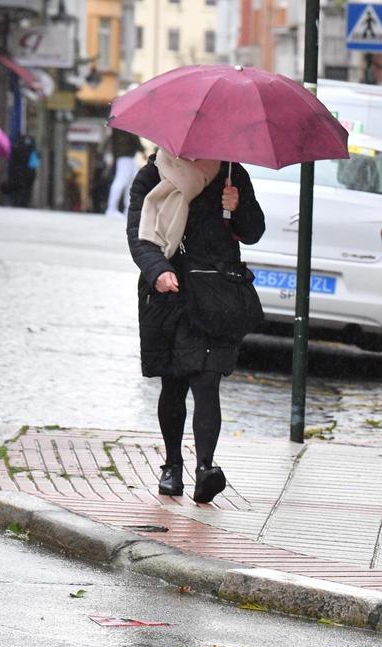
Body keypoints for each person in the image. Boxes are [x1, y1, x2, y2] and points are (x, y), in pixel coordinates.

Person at [126, 150, 265, 504]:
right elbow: (139, 235)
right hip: (169, 295)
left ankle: (205, 468)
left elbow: (253, 232)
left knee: (207, 380)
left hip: (216, 293)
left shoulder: (231, 174)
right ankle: (173, 464)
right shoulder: (151, 177)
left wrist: (239, 207)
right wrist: (158, 270)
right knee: (173, 383)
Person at [107, 130, 144, 217]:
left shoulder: (118, 124)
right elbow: (134, 137)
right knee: (121, 181)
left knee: (130, 183)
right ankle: (112, 209)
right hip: (125, 155)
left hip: (128, 155)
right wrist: (142, 150)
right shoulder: (126, 124)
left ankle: (127, 209)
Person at [2, 135, 38, 208]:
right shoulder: (32, 148)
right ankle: (23, 202)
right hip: (28, 173)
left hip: (18, 172)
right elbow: (34, 163)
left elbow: (12, 162)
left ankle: (17, 202)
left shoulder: (16, 147)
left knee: (18, 188)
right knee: (26, 189)